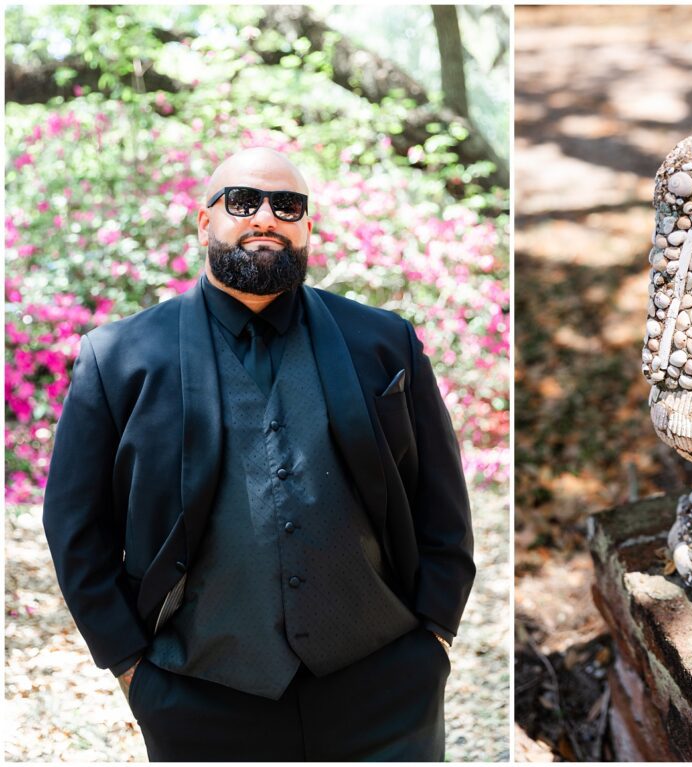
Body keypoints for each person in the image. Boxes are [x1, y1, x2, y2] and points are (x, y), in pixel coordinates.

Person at [42, 147, 475, 761]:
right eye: (243, 202)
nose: (265, 217)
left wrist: (435, 634)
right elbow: (75, 525)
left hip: (383, 683)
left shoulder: (383, 342)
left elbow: (441, 498)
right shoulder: (118, 358)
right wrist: (131, 667)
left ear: (307, 225)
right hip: (199, 694)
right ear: (204, 222)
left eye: (287, 205)